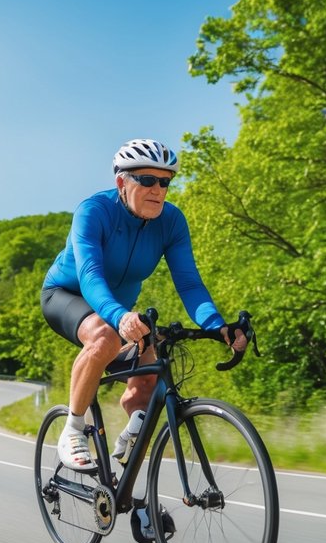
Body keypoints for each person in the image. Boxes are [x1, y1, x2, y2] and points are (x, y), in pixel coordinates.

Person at [41, 138, 247, 471]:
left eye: (165, 181)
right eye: (147, 180)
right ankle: (73, 429)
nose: (158, 189)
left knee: (150, 380)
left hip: (117, 312)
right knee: (104, 338)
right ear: (122, 182)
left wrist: (218, 325)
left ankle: (132, 493)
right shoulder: (93, 211)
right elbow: (91, 275)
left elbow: (190, 284)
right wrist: (119, 317)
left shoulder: (172, 222)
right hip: (68, 295)